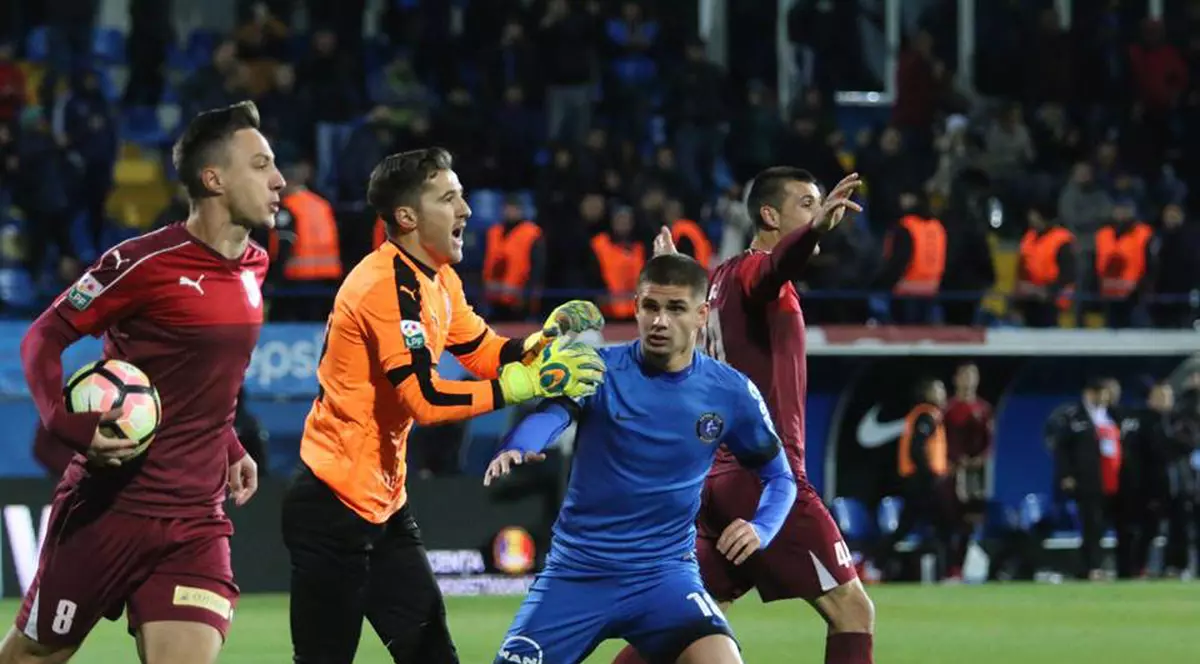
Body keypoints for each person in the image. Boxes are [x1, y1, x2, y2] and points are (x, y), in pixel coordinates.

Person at [281, 146, 608, 664]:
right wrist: (520, 387)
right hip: (332, 509)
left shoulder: (436, 275)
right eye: (449, 198)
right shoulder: (386, 286)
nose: (467, 211)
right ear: (408, 217)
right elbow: (425, 399)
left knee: (434, 656)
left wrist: (541, 342)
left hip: (382, 507)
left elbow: (482, 350)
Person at [2, 101, 277, 664]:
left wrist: (229, 445)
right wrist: (64, 421)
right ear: (214, 178)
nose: (278, 180)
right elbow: (42, 339)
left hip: (197, 520)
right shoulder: (143, 262)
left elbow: (201, 377)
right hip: (109, 510)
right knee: (32, 656)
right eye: (261, 164)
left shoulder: (255, 263)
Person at [486, 254, 798, 664]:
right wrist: (520, 442)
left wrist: (763, 527)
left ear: (702, 314)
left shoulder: (731, 392)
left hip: (664, 577)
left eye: (675, 309)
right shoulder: (597, 368)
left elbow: (781, 478)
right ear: (635, 307)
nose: (659, 321)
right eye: (650, 307)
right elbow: (552, 414)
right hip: (578, 573)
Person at [618, 167, 874, 664]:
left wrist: (672, 267)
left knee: (689, 622)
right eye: (806, 204)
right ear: (769, 214)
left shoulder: (716, 282)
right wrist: (815, 231)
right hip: (766, 481)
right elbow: (777, 265)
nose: (817, 212)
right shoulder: (758, 274)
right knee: (852, 610)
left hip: (716, 481)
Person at [942, 362, 994, 579]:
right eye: (964, 375)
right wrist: (951, 462)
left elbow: (989, 442)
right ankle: (947, 569)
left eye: (973, 375)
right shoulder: (948, 409)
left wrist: (979, 460)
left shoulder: (983, 409)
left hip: (974, 475)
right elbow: (941, 441)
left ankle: (959, 570)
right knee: (948, 522)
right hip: (950, 473)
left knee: (969, 522)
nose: (969, 380)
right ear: (956, 379)